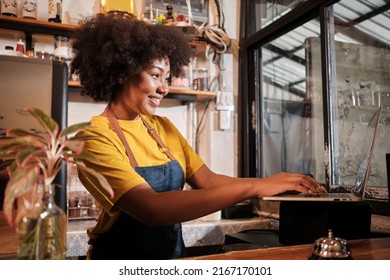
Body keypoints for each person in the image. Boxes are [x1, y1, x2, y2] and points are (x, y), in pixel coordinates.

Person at [71, 13, 326, 260]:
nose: (164, 88)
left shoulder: (163, 127)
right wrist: (256, 187)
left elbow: (208, 181)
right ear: (121, 72)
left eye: (167, 78)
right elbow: (152, 209)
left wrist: (270, 184)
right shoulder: (94, 139)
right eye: (155, 75)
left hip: (173, 262)